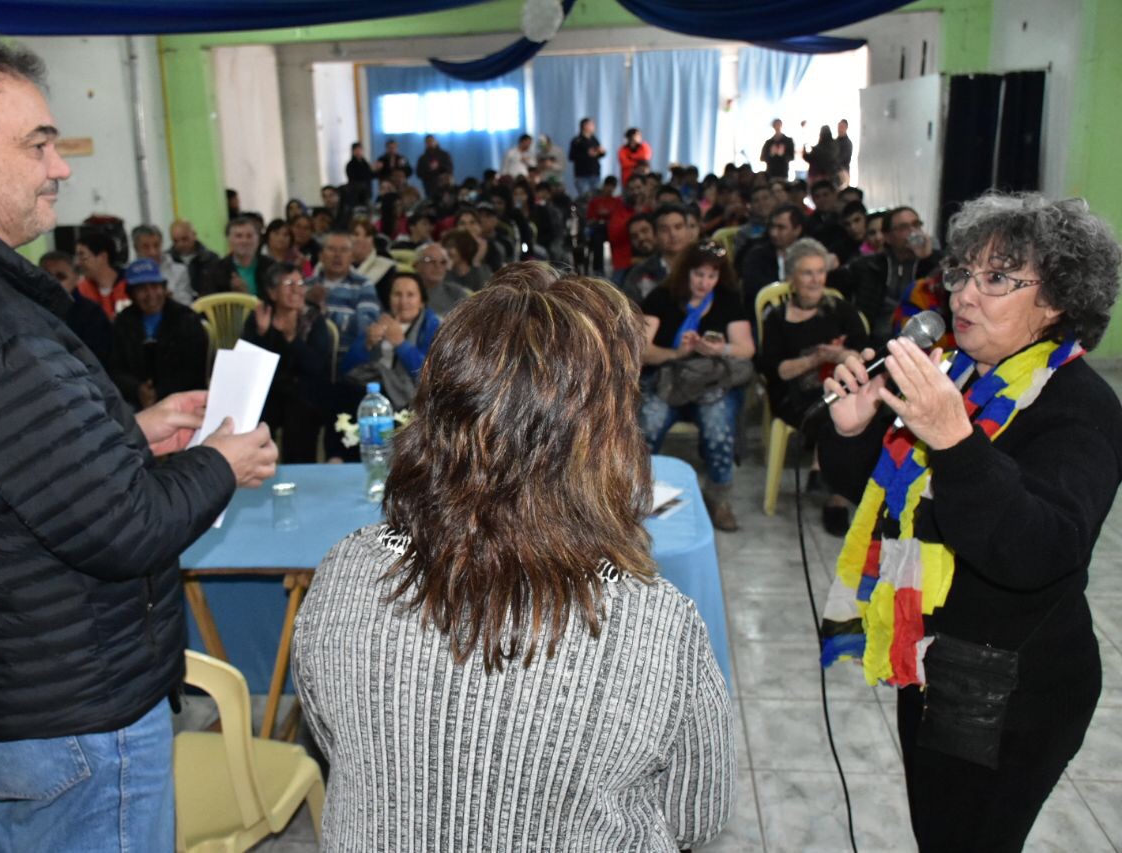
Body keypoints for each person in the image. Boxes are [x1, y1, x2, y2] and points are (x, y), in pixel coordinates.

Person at [0, 34, 278, 852]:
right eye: (38, 143)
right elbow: (126, 526)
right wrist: (222, 460)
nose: (62, 167)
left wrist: (127, 432)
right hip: (66, 708)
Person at [293, 262, 735, 850]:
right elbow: (694, 817)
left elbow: (326, 735)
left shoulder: (346, 571)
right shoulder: (655, 622)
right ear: (606, 444)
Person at [817, 192, 1122, 851]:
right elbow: (887, 498)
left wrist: (956, 443)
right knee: (938, 830)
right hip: (928, 659)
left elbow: (1042, 549)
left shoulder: (1079, 407)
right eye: (962, 271)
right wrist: (853, 431)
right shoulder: (955, 372)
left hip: (1012, 690)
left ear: (1059, 299)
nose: (965, 295)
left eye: (998, 278)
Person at [755, 238, 869, 535]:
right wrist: (815, 358)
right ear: (792, 277)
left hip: (836, 385)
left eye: (820, 271)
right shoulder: (777, 317)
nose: (816, 279)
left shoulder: (840, 308)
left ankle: (836, 496)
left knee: (854, 409)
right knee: (833, 408)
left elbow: (863, 353)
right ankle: (828, 482)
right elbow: (777, 370)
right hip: (792, 392)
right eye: (807, 273)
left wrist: (839, 354)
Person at [640, 243, 754, 531]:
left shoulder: (728, 300)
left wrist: (718, 348)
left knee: (718, 426)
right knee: (647, 425)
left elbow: (746, 349)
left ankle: (718, 497)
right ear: (685, 273)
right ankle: (640, 491)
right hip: (668, 379)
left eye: (711, 276)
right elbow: (640, 349)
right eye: (699, 275)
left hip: (710, 383)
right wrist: (677, 354)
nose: (704, 283)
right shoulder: (661, 297)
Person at [242, 262, 334, 463]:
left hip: (305, 390)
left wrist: (293, 338)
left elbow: (317, 367)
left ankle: (299, 477)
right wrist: (262, 335)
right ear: (272, 293)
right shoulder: (259, 317)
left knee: (300, 415)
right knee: (255, 412)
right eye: (288, 284)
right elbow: (248, 364)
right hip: (270, 389)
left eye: (300, 283)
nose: (297, 290)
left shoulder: (313, 318)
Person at [829, 205, 942, 346]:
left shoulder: (936, 262)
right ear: (888, 237)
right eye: (903, 228)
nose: (913, 232)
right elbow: (833, 284)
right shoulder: (868, 265)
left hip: (921, 340)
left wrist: (928, 260)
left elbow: (942, 296)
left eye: (916, 224)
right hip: (876, 342)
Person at [108, 258, 209, 411]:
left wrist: (159, 393)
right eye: (141, 289)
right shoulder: (123, 322)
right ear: (132, 294)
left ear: (164, 288)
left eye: (155, 286)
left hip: (182, 400)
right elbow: (114, 369)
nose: (150, 295)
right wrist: (138, 389)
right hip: (135, 402)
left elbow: (195, 369)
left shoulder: (186, 319)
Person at [341, 270, 440, 409]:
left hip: (409, 396)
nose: (403, 302)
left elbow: (428, 376)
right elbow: (346, 368)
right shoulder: (379, 321)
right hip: (369, 387)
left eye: (410, 295)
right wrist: (366, 344)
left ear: (422, 302)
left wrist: (401, 344)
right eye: (397, 294)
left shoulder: (433, 327)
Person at [304, 230, 379, 355]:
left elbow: (367, 326)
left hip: (347, 357)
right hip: (309, 354)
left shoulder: (363, 285)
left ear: (352, 257)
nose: (337, 255)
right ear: (321, 256)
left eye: (344, 250)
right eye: (331, 249)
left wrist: (323, 314)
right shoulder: (307, 285)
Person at [41, 249, 111, 364]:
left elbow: (97, 358)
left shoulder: (92, 313)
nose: (52, 281)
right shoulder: (26, 308)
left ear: (76, 278)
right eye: (46, 275)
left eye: (61, 277)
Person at [201, 214, 272, 297]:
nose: (244, 241)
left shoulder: (271, 267)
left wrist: (247, 295)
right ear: (229, 239)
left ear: (258, 239)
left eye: (249, 236)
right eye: (239, 236)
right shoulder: (215, 271)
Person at [132, 223, 196, 306]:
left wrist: (168, 299)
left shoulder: (179, 271)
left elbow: (186, 305)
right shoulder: (129, 275)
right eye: (146, 247)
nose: (153, 252)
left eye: (156, 245)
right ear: (136, 249)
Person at [74, 231, 127, 320]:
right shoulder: (80, 290)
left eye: (82, 257)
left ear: (103, 257)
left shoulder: (131, 284)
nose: (78, 263)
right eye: (77, 257)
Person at [413, 241, 469, 316]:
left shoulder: (456, 293)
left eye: (443, 262)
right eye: (430, 260)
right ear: (416, 265)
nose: (438, 266)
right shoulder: (404, 292)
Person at [169, 218, 220, 295]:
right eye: (175, 241)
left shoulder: (212, 259)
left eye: (184, 239)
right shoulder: (167, 261)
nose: (180, 244)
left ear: (194, 235)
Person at [442, 227, 489, 292]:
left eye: (451, 246)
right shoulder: (445, 272)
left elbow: (484, 293)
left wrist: (476, 261)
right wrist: (447, 270)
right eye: (446, 247)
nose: (447, 251)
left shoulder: (482, 270)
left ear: (464, 247)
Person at [568, 116, 606, 198]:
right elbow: (572, 156)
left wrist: (601, 152)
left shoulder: (594, 139)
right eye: (591, 124)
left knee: (596, 197)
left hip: (595, 172)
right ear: (585, 126)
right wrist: (587, 155)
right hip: (582, 175)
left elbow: (598, 153)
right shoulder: (577, 141)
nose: (593, 126)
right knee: (585, 198)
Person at [345, 142, 375, 206]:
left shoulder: (365, 163)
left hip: (366, 192)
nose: (358, 152)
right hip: (356, 194)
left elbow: (370, 176)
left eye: (360, 150)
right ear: (353, 151)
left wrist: (375, 170)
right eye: (356, 150)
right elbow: (353, 178)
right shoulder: (350, 165)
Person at [835, 118, 854, 187]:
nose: (839, 129)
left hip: (842, 172)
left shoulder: (847, 143)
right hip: (834, 172)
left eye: (842, 127)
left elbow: (843, 158)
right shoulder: (835, 142)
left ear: (846, 128)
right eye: (839, 127)